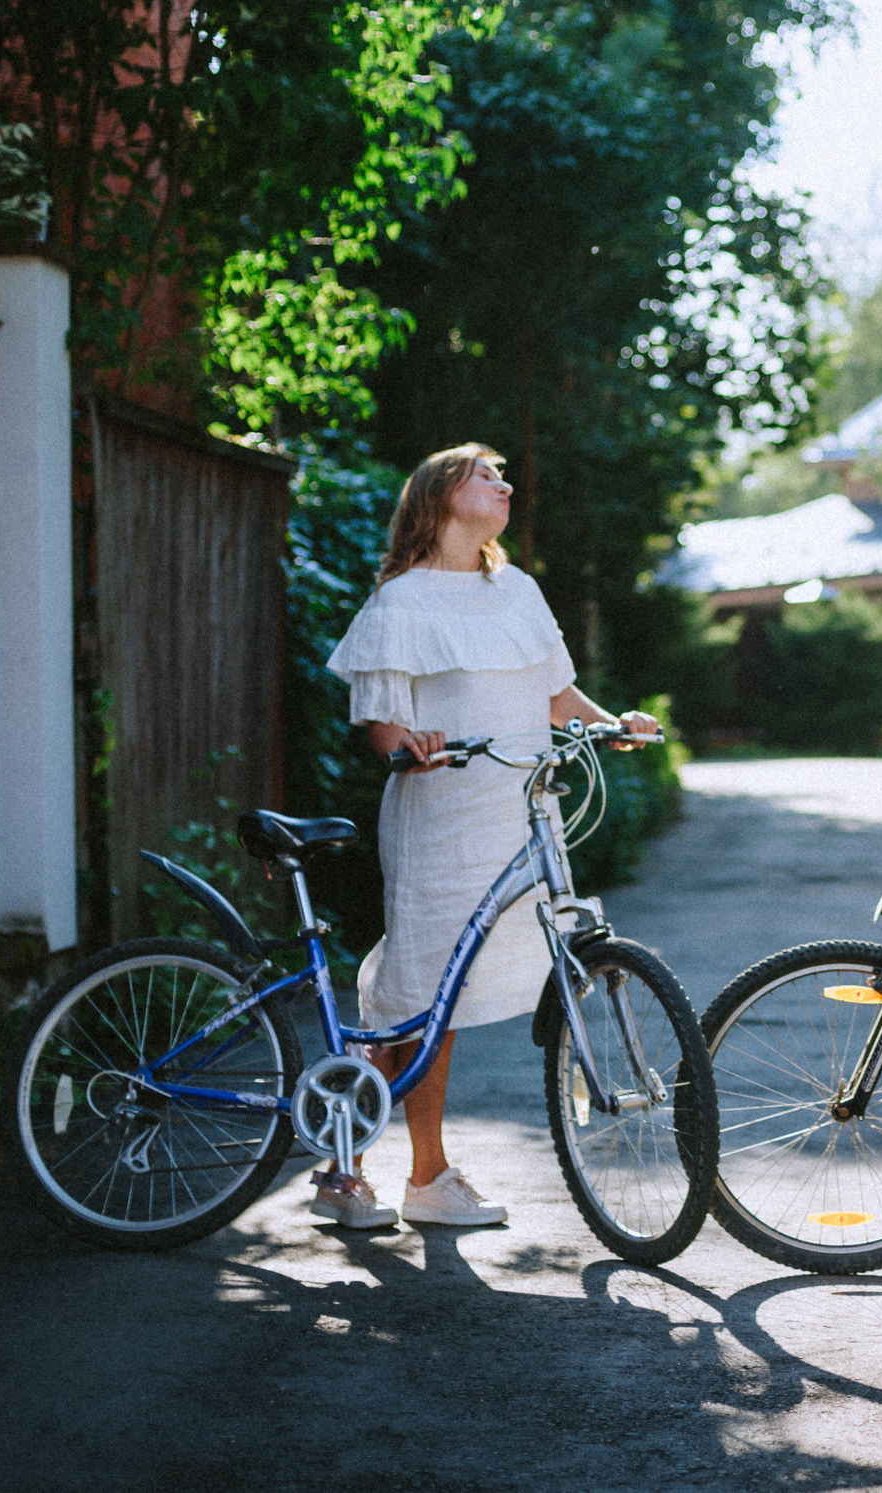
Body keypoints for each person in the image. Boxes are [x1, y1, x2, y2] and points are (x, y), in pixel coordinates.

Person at [317, 443, 656, 1231]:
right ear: (439, 494)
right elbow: (383, 723)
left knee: (463, 983)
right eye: (485, 474)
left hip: (521, 810)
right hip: (440, 816)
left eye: (504, 475)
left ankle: (363, 1160)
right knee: (423, 992)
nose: (503, 485)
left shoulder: (518, 590)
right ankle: (414, 1173)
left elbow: (556, 695)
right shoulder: (402, 601)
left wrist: (614, 724)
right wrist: (411, 742)